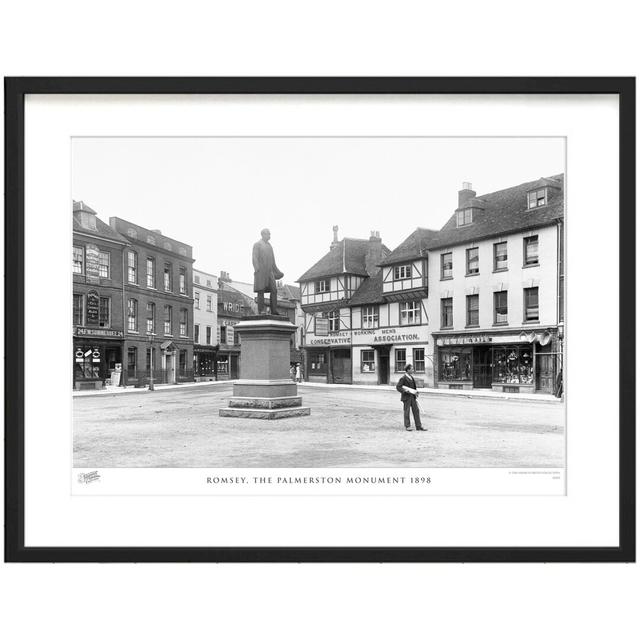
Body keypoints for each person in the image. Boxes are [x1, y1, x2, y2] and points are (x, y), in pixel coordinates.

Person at [252, 228, 284, 315]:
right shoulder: (257, 244)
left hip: (270, 272)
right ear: (262, 234)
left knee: (274, 290)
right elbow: (254, 257)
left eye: (270, 234)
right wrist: (257, 269)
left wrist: (277, 271)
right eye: (268, 234)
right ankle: (261, 310)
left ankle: (274, 310)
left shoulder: (269, 246)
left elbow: (273, 261)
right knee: (261, 290)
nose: (269, 236)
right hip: (261, 271)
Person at [395, 364, 425, 431]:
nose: (413, 370)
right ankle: (407, 426)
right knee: (407, 412)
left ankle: (418, 426)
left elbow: (413, 387)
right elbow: (398, 387)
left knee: (416, 411)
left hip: (413, 397)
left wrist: (416, 392)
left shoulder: (411, 377)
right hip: (406, 397)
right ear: (408, 370)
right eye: (411, 369)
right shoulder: (403, 378)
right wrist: (404, 391)